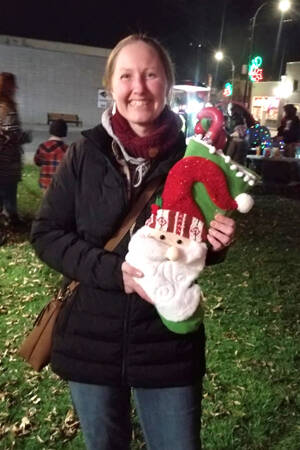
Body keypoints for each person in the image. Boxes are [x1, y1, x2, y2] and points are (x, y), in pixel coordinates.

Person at [30, 34, 236, 450]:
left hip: (167, 344)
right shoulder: (84, 155)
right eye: (126, 75)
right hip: (92, 340)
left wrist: (216, 243)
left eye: (150, 75)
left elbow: (194, 244)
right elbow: (47, 234)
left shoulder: (192, 157)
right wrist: (113, 272)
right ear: (112, 86)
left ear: (167, 85)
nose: (138, 87)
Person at [0, 72, 31, 225]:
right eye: (13, 85)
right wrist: (25, 137)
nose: (16, 88)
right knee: (8, 188)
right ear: (8, 87)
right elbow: (11, 135)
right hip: (7, 160)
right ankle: (11, 219)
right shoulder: (7, 109)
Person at [34, 119, 68, 192]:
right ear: (64, 132)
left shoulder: (43, 146)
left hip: (45, 182)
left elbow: (37, 162)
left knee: (46, 202)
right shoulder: (67, 149)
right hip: (61, 184)